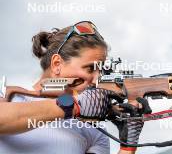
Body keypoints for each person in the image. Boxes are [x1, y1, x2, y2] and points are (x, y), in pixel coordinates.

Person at [0, 21, 145, 154]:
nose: (96, 79)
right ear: (57, 64)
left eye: (100, 71)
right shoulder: (8, 95)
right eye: (90, 69)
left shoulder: (94, 129)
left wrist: (128, 147)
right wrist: (74, 105)